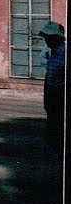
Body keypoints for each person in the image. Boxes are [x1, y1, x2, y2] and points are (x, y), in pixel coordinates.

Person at [39, 21, 65, 154]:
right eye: (46, 37)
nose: (47, 40)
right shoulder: (53, 52)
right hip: (52, 100)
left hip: (59, 101)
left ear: (58, 38)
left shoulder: (63, 54)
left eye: (49, 37)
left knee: (58, 138)